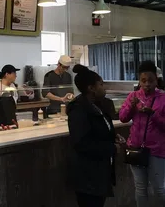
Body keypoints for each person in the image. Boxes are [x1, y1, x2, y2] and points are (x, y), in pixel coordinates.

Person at [66, 64, 121, 207]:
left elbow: (99, 130)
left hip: (99, 174)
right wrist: (111, 148)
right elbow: (81, 143)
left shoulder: (98, 105)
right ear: (91, 88)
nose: (104, 88)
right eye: (101, 85)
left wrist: (113, 136)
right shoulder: (79, 110)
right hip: (87, 177)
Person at [119, 61, 165, 207]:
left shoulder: (163, 98)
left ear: (156, 80)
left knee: (159, 189)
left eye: (150, 81)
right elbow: (123, 117)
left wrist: (153, 115)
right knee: (140, 188)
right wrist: (131, 107)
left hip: (156, 150)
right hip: (136, 149)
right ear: (139, 81)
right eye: (143, 81)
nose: (147, 84)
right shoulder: (133, 96)